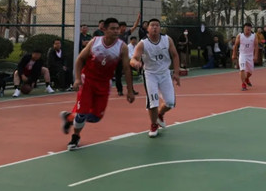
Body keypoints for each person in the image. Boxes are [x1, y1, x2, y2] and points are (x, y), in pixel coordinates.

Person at [59, 18, 135, 151]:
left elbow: (127, 69)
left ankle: (70, 117)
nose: (116, 31)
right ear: (104, 30)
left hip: (104, 84)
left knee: (95, 118)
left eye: (117, 29)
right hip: (87, 81)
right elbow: (80, 59)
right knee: (82, 112)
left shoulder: (122, 47)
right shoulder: (95, 42)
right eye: (112, 28)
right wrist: (77, 79)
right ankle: (75, 137)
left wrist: (130, 90)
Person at [130, 18, 180, 138]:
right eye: (152, 25)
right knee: (153, 102)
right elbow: (133, 58)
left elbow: (175, 55)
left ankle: (159, 115)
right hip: (150, 75)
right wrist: (136, 63)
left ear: (160, 28)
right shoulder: (143, 43)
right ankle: (153, 125)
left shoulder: (167, 39)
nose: (155, 27)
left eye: (157, 25)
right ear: (148, 28)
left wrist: (177, 73)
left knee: (170, 102)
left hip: (165, 74)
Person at [116, 18, 141, 96]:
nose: (124, 28)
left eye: (125, 27)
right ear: (119, 27)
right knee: (118, 74)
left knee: (129, 73)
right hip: (117, 57)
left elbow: (134, 26)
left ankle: (131, 89)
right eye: (122, 27)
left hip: (125, 57)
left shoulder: (126, 33)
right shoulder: (116, 35)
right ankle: (119, 90)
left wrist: (138, 19)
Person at [232, 22, 258, 91]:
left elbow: (256, 46)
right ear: (244, 29)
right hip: (242, 54)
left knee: (250, 71)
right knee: (242, 69)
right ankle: (243, 84)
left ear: (251, 29)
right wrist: (234, 54)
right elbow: (235, 45)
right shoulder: (240, 35)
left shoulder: (254, 35)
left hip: (250, 55)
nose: (247, 31)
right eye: (246, 29)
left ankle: (246, 78)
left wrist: (255, 56)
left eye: (248, 30)